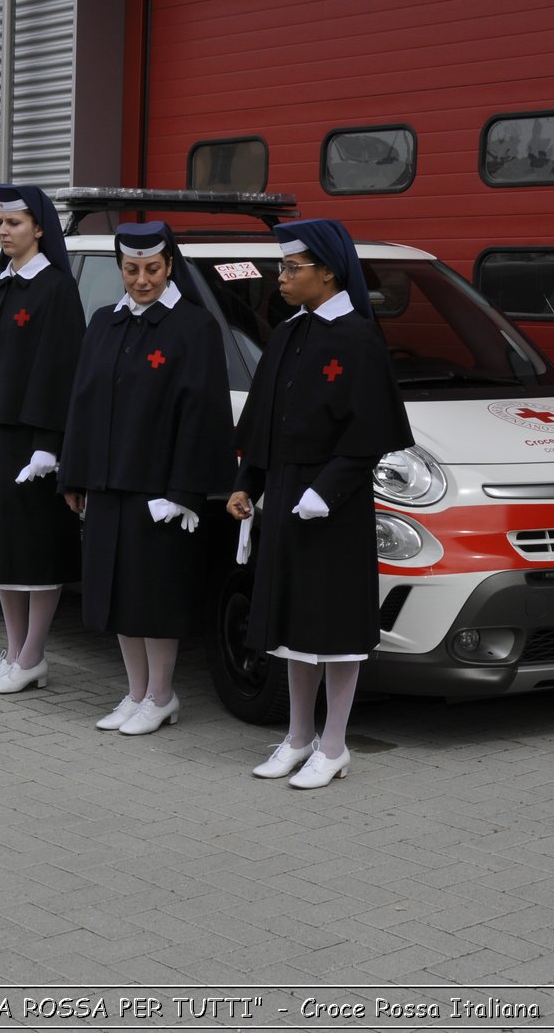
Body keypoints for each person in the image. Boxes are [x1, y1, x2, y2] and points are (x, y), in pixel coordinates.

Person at [226, 218, 413, 788]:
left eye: (291, 268)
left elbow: (371, 431)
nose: (280, 279)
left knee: (332, 629)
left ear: (328, 272)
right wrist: (248, 484)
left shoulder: (357, 337)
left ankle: (334, 746)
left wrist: (324, 491)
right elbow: (264, 421)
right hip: (284, 494)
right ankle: (298, 735)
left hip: (335, 504)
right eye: (281, 268)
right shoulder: (288, 332)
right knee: (291, 626)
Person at [59, 222, 234, 732]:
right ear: (119, 268)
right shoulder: (103, 324)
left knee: (154, 598)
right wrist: (74, 475)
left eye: (152, 269)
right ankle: (135, 692)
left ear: (170, 265)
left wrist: (183, 492)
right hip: (109, 484)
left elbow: (204, 414)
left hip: (159, 491)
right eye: (131, 270)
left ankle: (162, 694)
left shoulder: (194, 327)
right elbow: (82, 403)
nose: (141, 281)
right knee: (116, 596)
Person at [0, 185, 84, 694]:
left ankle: (33, 655)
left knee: (34, 548)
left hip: (34, 442)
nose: (4, 231)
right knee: (0, 549)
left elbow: (62, 370)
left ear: (40, 228)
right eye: (1, 223)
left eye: (15, 223)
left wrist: (50, 444)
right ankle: (13, 649)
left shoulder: (56, 288)